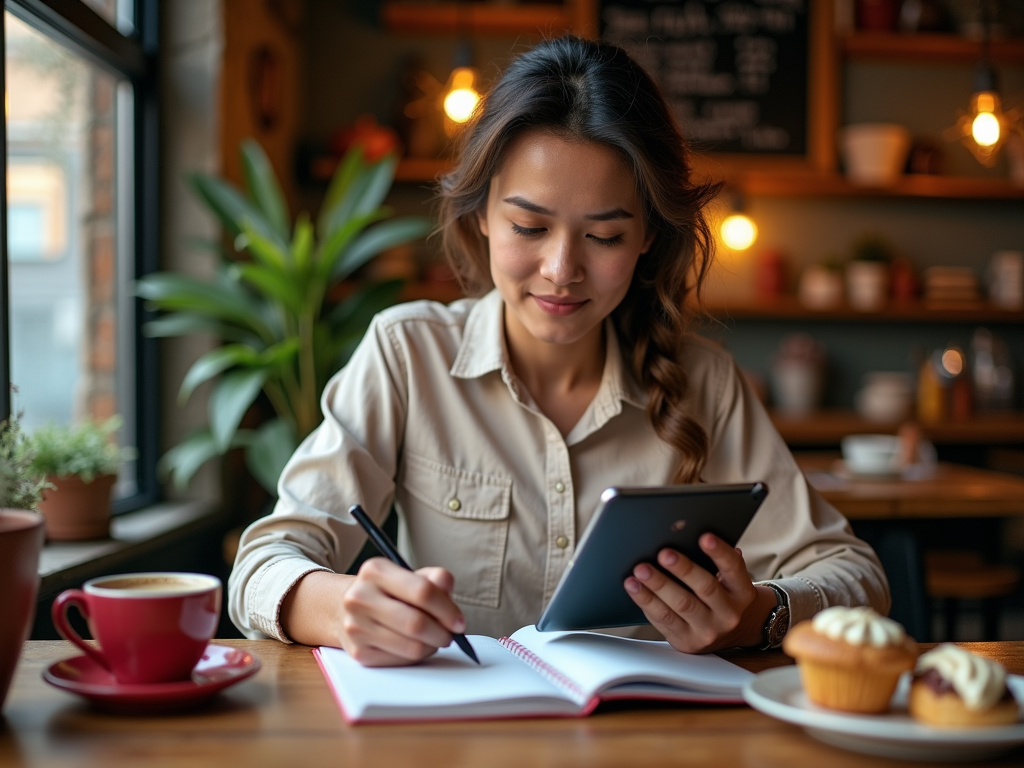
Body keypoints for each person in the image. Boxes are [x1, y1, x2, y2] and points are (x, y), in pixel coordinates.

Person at [228, 36, 889, 666]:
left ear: (647, 239)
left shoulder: (703, 384)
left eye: (604, 236)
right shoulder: (408, 356)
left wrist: (757, 615)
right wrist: (341, 605)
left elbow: (857, 578)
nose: (560, 269)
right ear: (481, 214)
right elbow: (263, 563)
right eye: (529, 227)